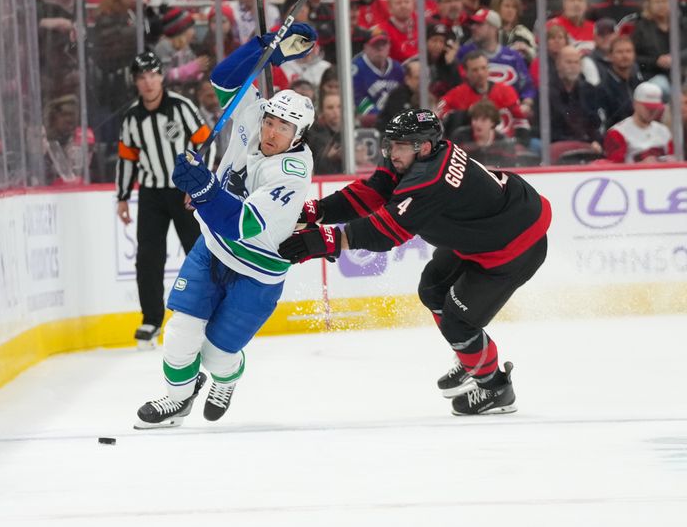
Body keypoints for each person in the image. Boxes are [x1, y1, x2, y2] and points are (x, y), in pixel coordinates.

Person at [278, 109, 551, 415]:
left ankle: (495, 387)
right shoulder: (418, 158)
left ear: (422, 146)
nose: (390, 152)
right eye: (390, 143)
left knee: (458, 323)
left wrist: (320, 240)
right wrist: (314, 211)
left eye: (398, 146)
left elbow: (384, 231)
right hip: (490, 230)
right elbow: (373, 192)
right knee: (433, 288)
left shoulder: (429, 179)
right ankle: (472, 359)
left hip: (514, 246)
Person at [135, 23, 318, 427]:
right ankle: (176, 400)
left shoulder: (292, 170)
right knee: (179, 333)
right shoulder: (255, 118)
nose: (270, 131)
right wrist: (265, 49)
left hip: (257, 272)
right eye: (270, 120)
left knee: (217, 355)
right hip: (212, 250)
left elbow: (244, 225)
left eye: (283, 128)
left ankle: (227, 377)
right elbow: (224, 78)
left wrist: (203, 189)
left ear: (299, 134)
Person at [115, 52, 217, 350]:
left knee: (198, 253)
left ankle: (209, 312)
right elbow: (126, 160)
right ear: (136, 82)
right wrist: (122, 197)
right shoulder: (132, 117)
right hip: (151, 194)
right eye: (141, 77)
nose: (148, 82)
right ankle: (151, 320)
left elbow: (205, 142)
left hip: (183, 191)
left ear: (161, 76)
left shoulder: (182, 107)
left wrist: (197, 183)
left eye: (152, 75)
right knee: (148, 257)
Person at [603, 82, 673, 163]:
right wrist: (641, 165)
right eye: (647, 107)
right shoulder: (618, 133)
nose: (652, 111)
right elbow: (614, 168)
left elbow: (674, 160)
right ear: (635, 104)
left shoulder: (664, 131)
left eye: (655, 107)